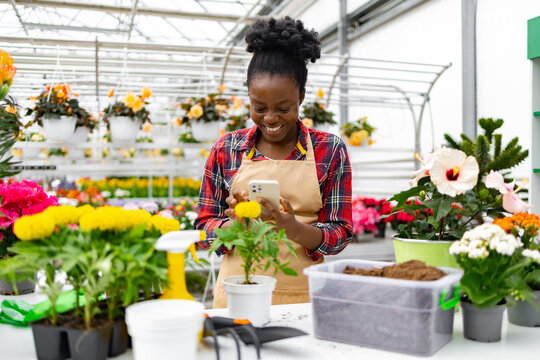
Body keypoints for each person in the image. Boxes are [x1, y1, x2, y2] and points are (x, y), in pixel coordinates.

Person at [195, 16, 353, 308]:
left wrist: (292, 227)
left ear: (301, 97)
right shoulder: (226, 149)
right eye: (259, 107)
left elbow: (340, 235)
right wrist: (233, 226)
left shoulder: (329, 150)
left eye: (283, 107)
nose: (270, 118)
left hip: (305, 299)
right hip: (236, 297)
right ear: (249, 98)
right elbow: (202, 230)